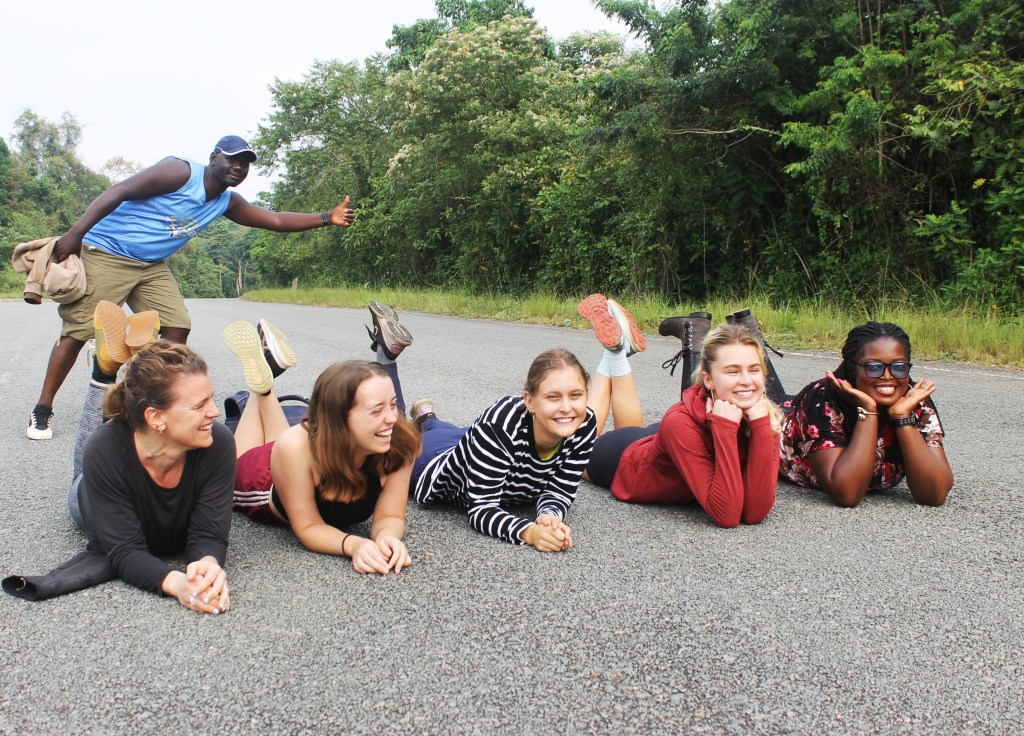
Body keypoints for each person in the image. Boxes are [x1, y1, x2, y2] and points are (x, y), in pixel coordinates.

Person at [27, 134, 356, 441]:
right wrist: (76, 234)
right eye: (233, 160)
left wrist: (327, 217)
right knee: (78, 330)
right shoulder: (179, 173)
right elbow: (119, 192)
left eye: (245, 164)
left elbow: (277, 220)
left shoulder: (225, 202)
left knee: (177, 328)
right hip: (109, 252)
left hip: (151, 265)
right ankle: (42, 409)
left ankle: (133, 399)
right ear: (214, 158)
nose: (239, 167)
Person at [4, 331, 234, 611]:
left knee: (104, 441)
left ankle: (120, 364)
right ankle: (103, 372)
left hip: (133, 455)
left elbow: (208, 534)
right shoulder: (105, 449)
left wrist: (207, 566)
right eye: (200, 405)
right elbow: (125, 550)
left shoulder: (218, 442)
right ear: (156, 417)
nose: (215, 412)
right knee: (87, 463)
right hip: (90, 495)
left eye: (211, 399)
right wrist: (177, 583)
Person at [226, 304, 420, 575]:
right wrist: (353, 544)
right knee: (234, 465)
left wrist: (387, 537)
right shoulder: (294, 447)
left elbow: (390, 516)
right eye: (377, 410)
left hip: (299, 454)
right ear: (338, 418)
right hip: (263, 480)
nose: (391, 418)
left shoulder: (400, 442)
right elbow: (308, 527)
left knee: (282, 442)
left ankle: (264, 382)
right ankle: (258, 388)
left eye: (392, 404)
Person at [583, 295, 783, 528]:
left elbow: (754, 512)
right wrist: (725, 427)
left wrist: (760, 426)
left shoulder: (764, 416)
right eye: (733, 371)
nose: (747, 381)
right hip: (623, 460)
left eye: (754, 370)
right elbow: (727, 515)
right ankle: (614, 353)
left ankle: (616, 353)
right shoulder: (680, 421)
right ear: (708, 380)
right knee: (576, 446)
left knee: (638, 430)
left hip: (667, 443)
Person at [409, 342, 599, 553]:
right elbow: (481, 509)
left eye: (575, 395)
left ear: (586, 393)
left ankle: (427, 416)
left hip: (482, 444)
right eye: (553, 397)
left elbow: (560, 490)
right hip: (432, 460)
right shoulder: (498, 427)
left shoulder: (584, 423)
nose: (566, 407)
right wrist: (529, 532)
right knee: (403, 439)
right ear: (530, 401)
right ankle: (426, 419)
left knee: (462, 433)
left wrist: (549, 517)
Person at [779, 321, 953, 507]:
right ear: (853, 368)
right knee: (764, 392)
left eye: (899, 367)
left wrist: (902, 417)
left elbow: (934, 494)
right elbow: (847, 494)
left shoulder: (913, 399)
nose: (888, 376)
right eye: (874, 367)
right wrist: (868, 412)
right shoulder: (824, 397)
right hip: (779, 419)